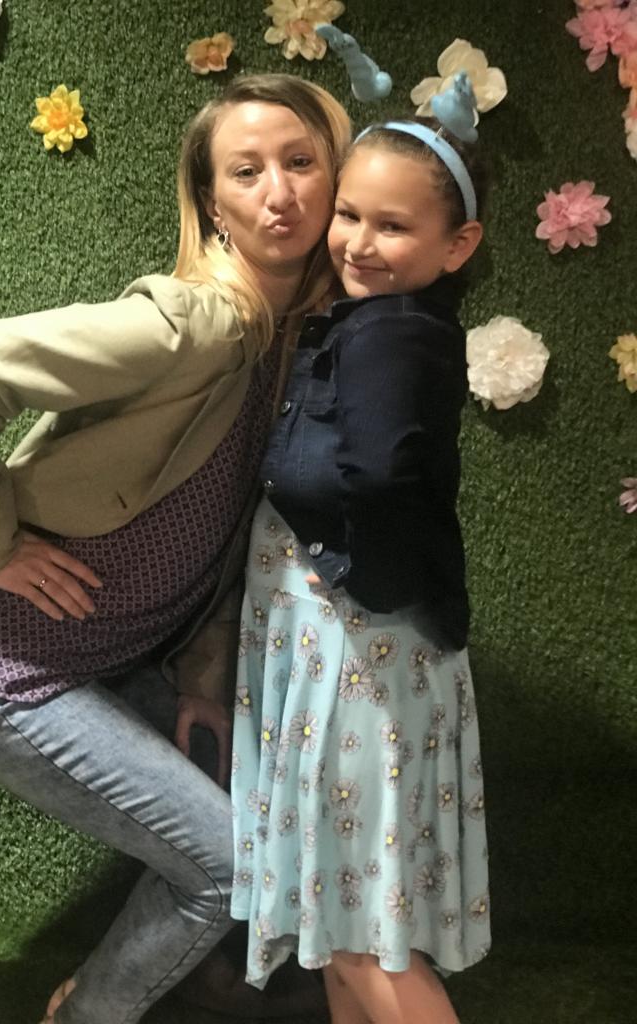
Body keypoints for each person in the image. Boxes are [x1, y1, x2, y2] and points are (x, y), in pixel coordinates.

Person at [0, 74, 351, 1024]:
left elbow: (225, 530)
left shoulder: (287, 344)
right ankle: (86, 1013)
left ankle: (206, 977)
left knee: (270, 802)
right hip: (12, 671)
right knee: (231, 863)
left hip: (114, 661)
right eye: (247, 172)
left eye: (300, 162)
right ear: (213, 204)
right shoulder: (194, 324)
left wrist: (203, 684)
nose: (280, 192)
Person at [230, 111, 491, 1024]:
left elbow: (378, 477)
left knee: (362, 940)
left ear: (458, 245)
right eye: (349, 215)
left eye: (393, 225)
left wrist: (360, 588)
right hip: (349, 658)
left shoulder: (391, 332)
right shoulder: (378, 321)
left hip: (359, 663)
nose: (359, 243)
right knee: (342, 923)